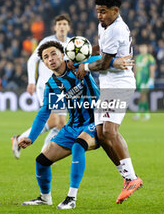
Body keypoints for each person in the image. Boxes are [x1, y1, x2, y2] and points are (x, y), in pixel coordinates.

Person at [75, 0, 143, 204]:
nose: (99, 16)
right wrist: (83, 53)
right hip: (108, 85)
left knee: (110, 131)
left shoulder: (117, 29)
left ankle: (132, 178)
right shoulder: (104, 25)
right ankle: (127, 178)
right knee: (102, 134)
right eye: (97, 11)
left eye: (103, 12)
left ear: (116, 11)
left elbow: (104, 63)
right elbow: (101, 50)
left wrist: (85, 65)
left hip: (120, 85)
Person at [16, 41, 100, 209]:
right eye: (46, 57)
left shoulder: (78, 65)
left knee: (78, 145)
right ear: (44, 64)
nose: (51, 59)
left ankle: (71, 198)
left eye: (54, 54)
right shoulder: (51, 86)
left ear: (63, 54)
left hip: (96, 122)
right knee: (41, 161)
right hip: (72, 126)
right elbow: (43, 114)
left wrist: (113, 61)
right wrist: (31, 137)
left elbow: (101, 59)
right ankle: (45, 197)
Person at [12, 15, 71, 158]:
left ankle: (45, 153)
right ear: (55, 27)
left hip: (61, 89)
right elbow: (32, 60)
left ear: (68, 27)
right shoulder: (47, 42)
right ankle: (20, 139)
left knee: (61, 124)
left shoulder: (71, 44)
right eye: (59, 24)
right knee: (52, 121)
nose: (62, 27)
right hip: (46, 86)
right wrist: (31, 81)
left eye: (64, 24)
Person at [133, 43, 156, 120]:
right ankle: (145, 113)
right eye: (141, 47)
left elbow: (152, 70)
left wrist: (151, 80)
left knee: (143, 95)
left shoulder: (150, 58)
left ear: (147, 48)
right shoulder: (137, 58)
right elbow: (135, 70)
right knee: (142, 96)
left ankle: (141, 113)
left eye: (144, 47)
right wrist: (133, 79)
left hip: (146, 80)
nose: (142, 49)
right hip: (139, 81)